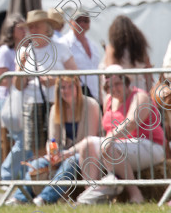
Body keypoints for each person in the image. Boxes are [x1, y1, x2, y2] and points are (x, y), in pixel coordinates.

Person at [67, 66, 165, 205]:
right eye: (109, 86)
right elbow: (103, 134)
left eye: (117, 84)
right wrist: (68, 152)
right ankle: (92, 195)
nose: (114, 89)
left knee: (108, 147)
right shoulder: (108, 100)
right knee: (87, 144)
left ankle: (135, 195)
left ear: (126, 82)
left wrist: (110, 138)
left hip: (149, 145)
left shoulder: (140, 96)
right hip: (119, 148)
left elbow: (131, 122)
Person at [7, 76, 101, 205]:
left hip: (88, 152)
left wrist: (67, 153)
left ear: (77, 88)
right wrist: (52, 153)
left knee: (71, 161)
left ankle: (45, 198)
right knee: (37, 163)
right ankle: (19, 198)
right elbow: (52, 139)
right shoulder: (55, 108)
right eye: (62, 87)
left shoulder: (90, 105)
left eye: (70, 87)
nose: (66, 90)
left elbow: (89, 140)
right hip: (64, 153)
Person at [14, 10, 78, 156]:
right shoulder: (24, 51)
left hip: (58, 103)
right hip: (32, 104)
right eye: (31, 26)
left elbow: (76, 75)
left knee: (60, 145)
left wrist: (55, 81)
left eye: (37, 26)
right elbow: (18, 85)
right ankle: (42, 176)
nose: (33, 30)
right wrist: (21, 67)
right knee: (37, 150)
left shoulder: (60, 47)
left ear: (47, 27)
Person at [0, 14, 28, 183]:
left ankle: (19, 175)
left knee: (25, 139)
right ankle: (7, 174)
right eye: (20, 28)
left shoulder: (25, 49)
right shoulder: (4, 51)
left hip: (24, 100)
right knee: (23, 139)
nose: (24, 31)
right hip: (8, 101)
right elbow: (4, 80)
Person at [101, 14, 153, 94]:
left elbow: (110, 71)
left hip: (122, 90)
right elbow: (148, 72)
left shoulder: (112, 48)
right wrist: (149, 92)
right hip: (139, 88)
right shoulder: (140, 47)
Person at [60, 10, 103, 100]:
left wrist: (101, 96)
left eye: (85, 21)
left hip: (94, 96)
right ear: (71, 22)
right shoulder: (64, 43)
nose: (82, 24)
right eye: (78, 20)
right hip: (75, 96)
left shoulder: (93, 46)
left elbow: (97, 72)